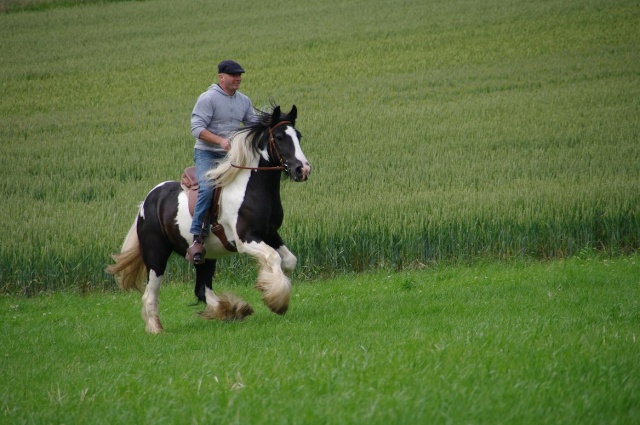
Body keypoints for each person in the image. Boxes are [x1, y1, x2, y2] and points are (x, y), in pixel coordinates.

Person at [186, 59, 257, 264]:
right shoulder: (208, 98)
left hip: (232, 156)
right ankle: (197, 235)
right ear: (221, 77)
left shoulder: (244, 100)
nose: (238, 79)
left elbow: (252, 124)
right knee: (207, 188)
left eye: (240, 75)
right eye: (234, 75)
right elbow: (196, 128)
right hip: (207, 153)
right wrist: (220, 141)